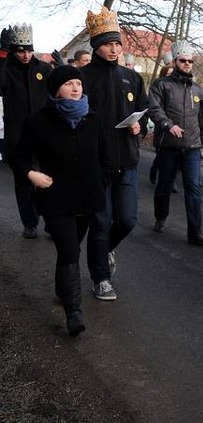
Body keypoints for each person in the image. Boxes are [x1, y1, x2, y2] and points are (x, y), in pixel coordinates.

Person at [11, 66, 110, 336]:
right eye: (69, 83)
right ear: (56, 89)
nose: (76, 88)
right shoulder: (38, 121)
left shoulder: (93, 120)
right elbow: (18, 157)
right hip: (55, 197)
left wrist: (100, 182)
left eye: (78, 83)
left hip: (88, 198)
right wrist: (32, 175)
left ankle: (61, 290)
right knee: (68, 250)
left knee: (72, 249)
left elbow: (104, 159)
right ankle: (73, 313)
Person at [81, 6, 148, 300]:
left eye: (117, 43)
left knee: (128, 220)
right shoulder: (82, 77)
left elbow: (142, 113)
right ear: (97, 46)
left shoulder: (131, 78)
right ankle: (101, 278)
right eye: (108, 44)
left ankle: (105, 249)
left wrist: (140, 126)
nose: (114, 49)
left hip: (127, 159)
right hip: (96, 162)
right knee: (101, 222)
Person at [148, 40, 203, 246]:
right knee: (165, 185)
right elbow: (155, 109)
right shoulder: (161, 85)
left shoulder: (197, 90)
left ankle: (195, 232)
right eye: (183, 60)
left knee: (193, 188)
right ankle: (161, 216)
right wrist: (168, 125)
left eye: (190, 61)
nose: (187, 64)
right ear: (175, 61)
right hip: (169, 145)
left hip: (192, 146)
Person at [0, 23, 53, 238]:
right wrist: (2, 56)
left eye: (29, 50)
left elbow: (56, 93)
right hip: (17, 134)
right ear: (13, 50)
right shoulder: (7, 69)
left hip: (43, 134)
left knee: (48, 179)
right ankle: (29, 222)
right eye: (21, 51)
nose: (26, 55)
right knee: (24, 181)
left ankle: (51, 221)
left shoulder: (43, 69)